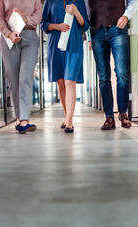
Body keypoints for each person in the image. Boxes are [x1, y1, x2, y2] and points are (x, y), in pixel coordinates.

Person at [85, 0, 137, 130]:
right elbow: (85, 9)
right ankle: (109, 117)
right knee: (103, 77)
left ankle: (123, 113)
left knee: (122, 73)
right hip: (96, 31)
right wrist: (88, 37)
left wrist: (127, 15)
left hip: (117, 29)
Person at [41, 0, 89, 133]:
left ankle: (69, 121)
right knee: (61, 82)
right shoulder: (50, 1)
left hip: (74, 44)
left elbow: (85, 26)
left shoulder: (79, 1)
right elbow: (43, 24)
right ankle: (67, 116)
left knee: (70, 81)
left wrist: (76, 12)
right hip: (56, 45)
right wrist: (57, 26)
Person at [0, 0, 42, 134]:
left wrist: (25, 18)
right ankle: (19, 117)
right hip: (10, 37)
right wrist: (8, 34)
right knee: (14, 80)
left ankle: (24, 119)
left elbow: (39, 15)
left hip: (30, 37)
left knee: (25, 78)